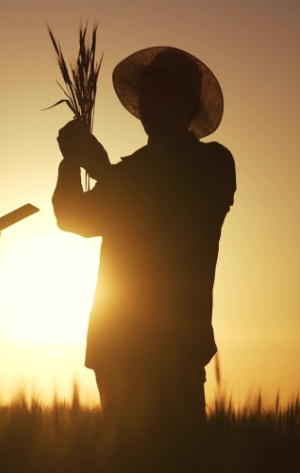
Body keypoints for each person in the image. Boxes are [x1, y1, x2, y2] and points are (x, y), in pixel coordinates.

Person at [53, 47, 236, 436]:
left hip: (174, 349)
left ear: (187, 104)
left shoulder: (212, 164)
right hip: (114, 349)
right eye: (146, 90)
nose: (149, 99)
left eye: (161, 90)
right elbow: (73, 218)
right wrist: (71, 161)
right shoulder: (131, 169)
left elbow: (167, 209)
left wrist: (101, 168)